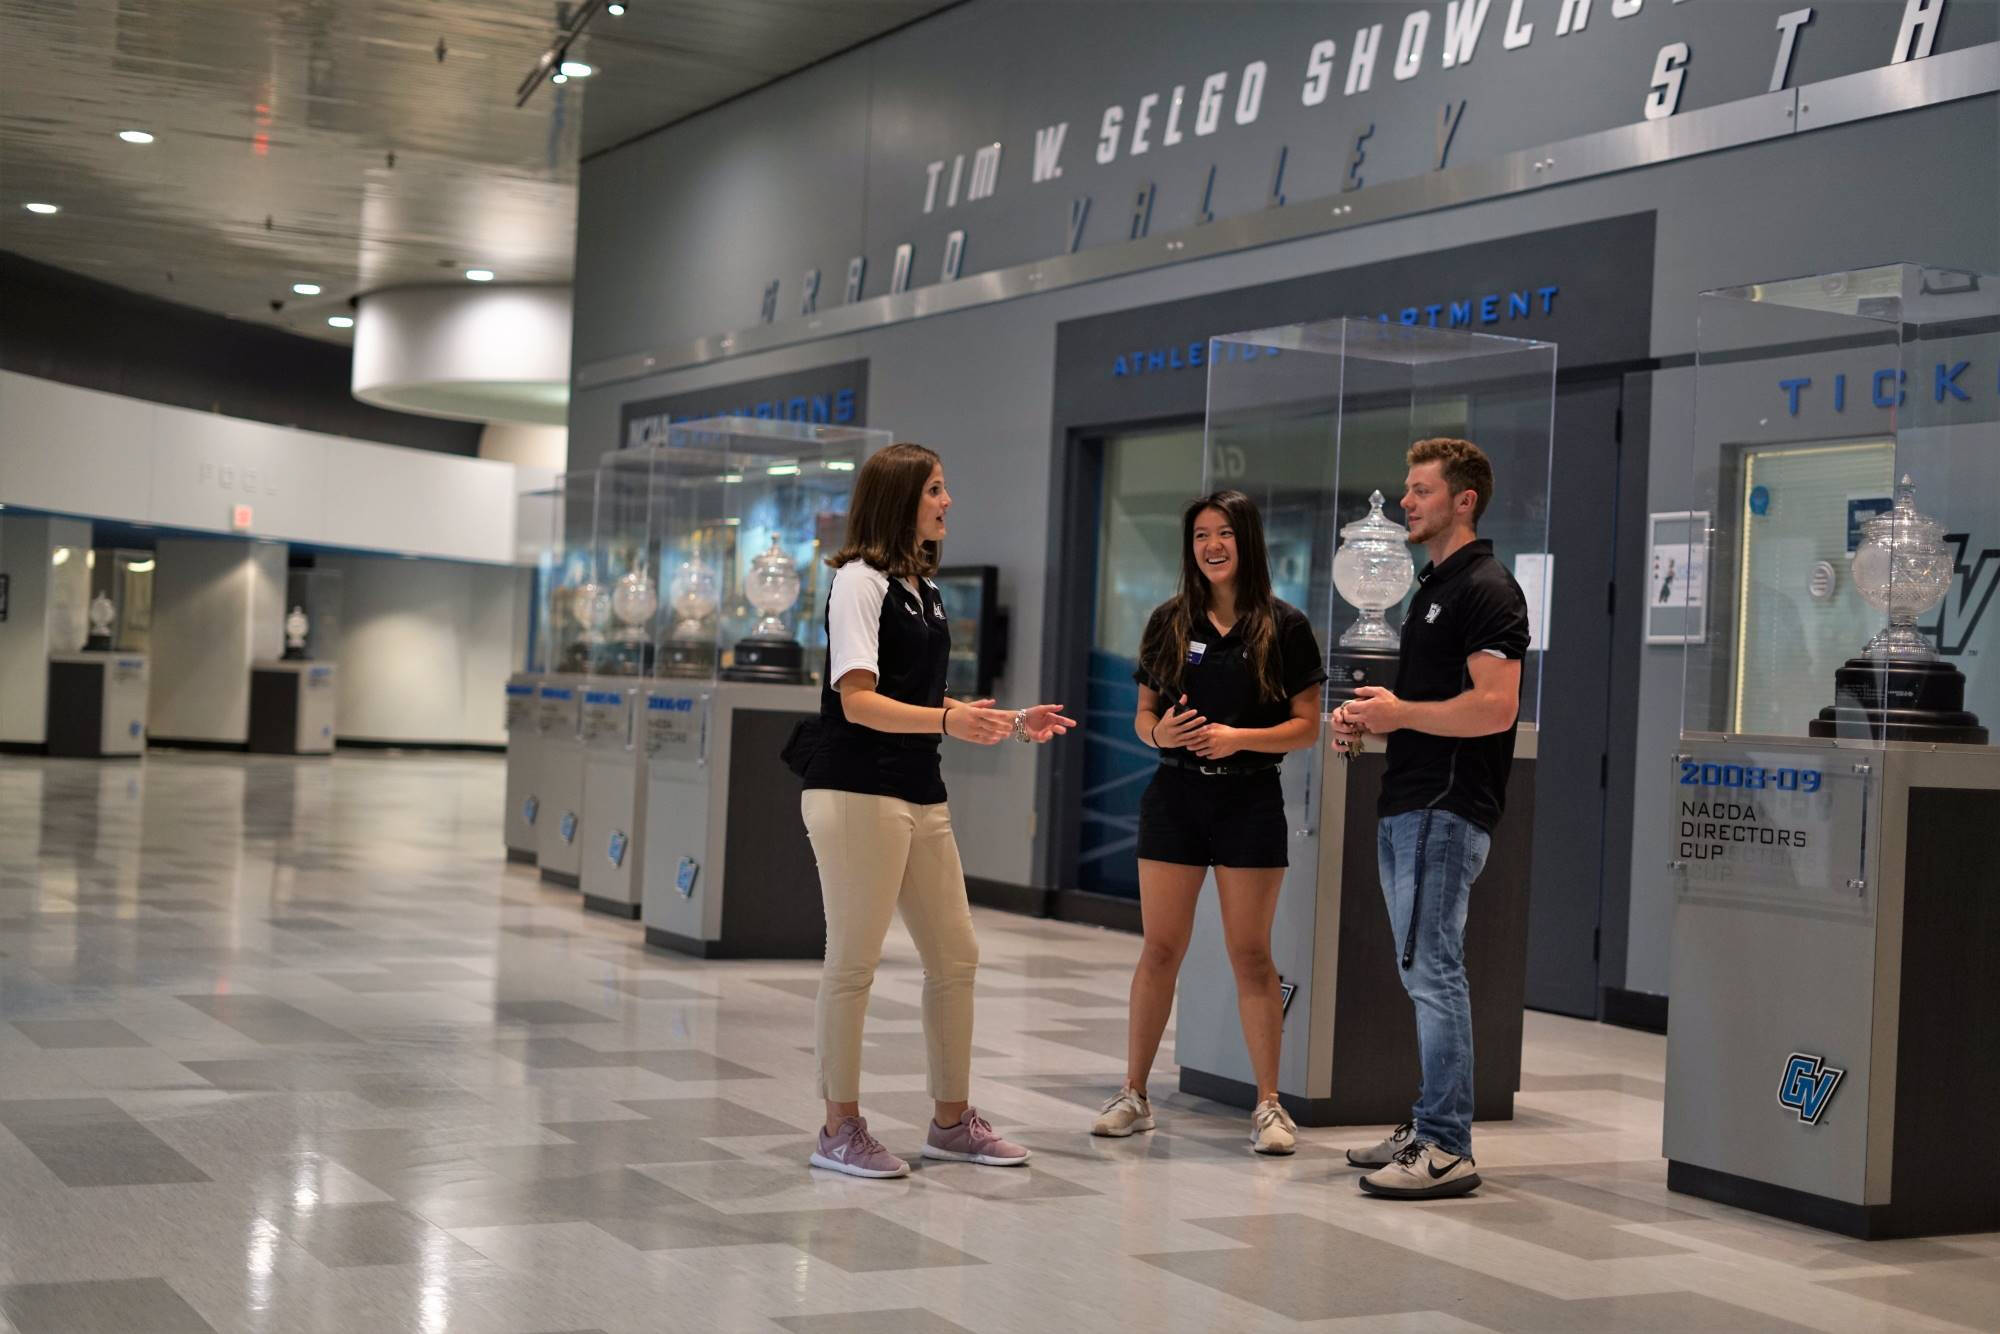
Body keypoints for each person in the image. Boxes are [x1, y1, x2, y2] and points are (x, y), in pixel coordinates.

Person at [798, 442, 1077, 1179]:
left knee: (956, 958)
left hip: (919, 788)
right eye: (935, 491)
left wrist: (1006, 720)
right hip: (857, 789)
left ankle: (951, 1122)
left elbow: (917, 704)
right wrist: (949, 721)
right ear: (900, 500)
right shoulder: (858, 582)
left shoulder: (921, 585)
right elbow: (857, 701)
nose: (947, 503)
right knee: (853, 963)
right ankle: (838, 1128)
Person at [1092, 490, 1325, 1154]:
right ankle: (1134, 1094)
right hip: (1175, 800)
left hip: (1250, 801)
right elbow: (1144, 718)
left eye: (1224, 533)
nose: (1212, 546)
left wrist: (1238, 739)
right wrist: (1160, 730)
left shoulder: (1285, 626)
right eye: (1200, 536)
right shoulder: (1169, 621)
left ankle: (1270, 1107)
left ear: (1247, 541)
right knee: (1160, 949)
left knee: (1250, 955)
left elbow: (1306, 728)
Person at [1329, 437, 1529, 1199]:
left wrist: (1400, 710)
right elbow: (1433, 709)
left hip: (1445, 810)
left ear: (1463, 499)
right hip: (1411, 803)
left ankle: (1447, 1144)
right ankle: (1428, 1121)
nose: (1406, 502)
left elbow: (1495, 707)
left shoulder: (1487, 589)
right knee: (1424, 970)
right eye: (1407, 488)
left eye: (1420, 490)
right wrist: (1376, 724)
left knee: (1434, 970)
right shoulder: (1434, 587)